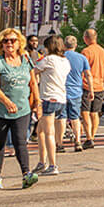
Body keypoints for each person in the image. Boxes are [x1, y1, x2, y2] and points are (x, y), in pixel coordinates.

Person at [0, 29, 38, 189]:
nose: (9, 43)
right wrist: (7, 102)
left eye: (12, 41)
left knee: (20, 141)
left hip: (22, 109)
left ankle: (26, 174)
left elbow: (33, 83)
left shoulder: (26, 60)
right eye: (5, 41)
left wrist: (37, 102)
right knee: (0, 143)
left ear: (19, 43)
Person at [33, 35, 71, 175]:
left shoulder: (48, 60)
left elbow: (34, 71)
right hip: (61, 97)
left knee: (48, 133)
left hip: (49, 97)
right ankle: (42, 161)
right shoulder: (65, 61)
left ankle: (52, 165)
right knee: (40, 131)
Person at [60, 37, 88, 153]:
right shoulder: (82, 58)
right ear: (75, 45)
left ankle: (59, 143)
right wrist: (91, 89)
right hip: (76, 91)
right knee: (75, 117)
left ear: (64, 45)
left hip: (62, 90)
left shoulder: (61, 57)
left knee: (61, 118)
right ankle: (77, 141)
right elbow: (88, 74)